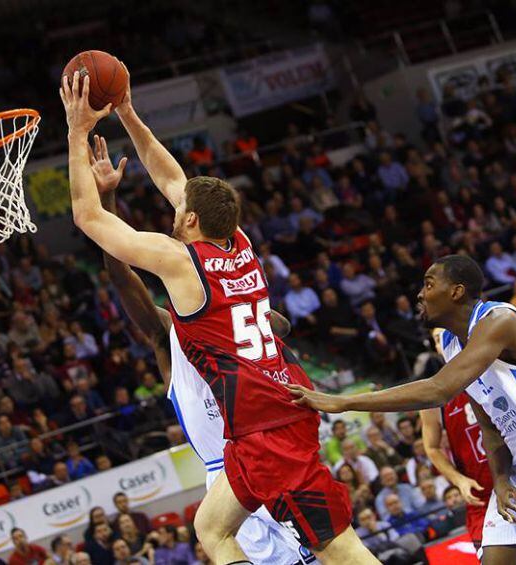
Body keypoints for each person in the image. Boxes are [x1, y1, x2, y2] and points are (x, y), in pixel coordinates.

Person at [91, 135, 319, 565]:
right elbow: (122, 275)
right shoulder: (169, 334)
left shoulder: (221, 302)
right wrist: (109, 200)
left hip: (263, 455)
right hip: (236, 478)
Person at [286, 254, 516, 562]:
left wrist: (343, 401)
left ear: (456, 291)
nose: (419, 294)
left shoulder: (500, 320)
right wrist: (500, 478)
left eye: (428, 284)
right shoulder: (455, 346)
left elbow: (438, 389)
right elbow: (490, 426)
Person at [422, 328, 493, 553]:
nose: (443, 340)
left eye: (448, 333)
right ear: (436, 347)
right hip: (481, 498)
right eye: (437, 339)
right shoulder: (432, 392)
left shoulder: (492, 367)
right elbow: (432, 448)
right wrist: (458, 480)